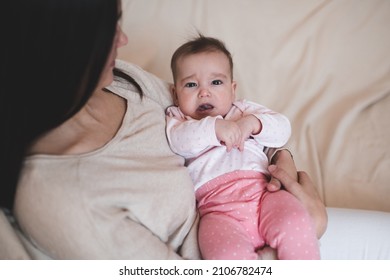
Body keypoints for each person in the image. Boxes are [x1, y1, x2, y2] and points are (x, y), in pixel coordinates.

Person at [0, 0, 326, 259]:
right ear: (57, 44)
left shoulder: (123, 81)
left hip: (273, 212)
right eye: (107, 28)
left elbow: (267, 134)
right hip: (238, 247)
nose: (123, 40)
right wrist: (309, 228)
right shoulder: (63, 199)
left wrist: (284, 165)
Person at [166, 35, 320, 259]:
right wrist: (215, 128)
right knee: (225, 255)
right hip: (217, 210)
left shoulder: (243, 111)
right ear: (175, 94)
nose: (204, 92)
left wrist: (253, 124)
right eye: (191, 84)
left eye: (216, 82)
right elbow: (179, 141)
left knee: (296, 223)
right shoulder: (179, 119)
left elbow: (283, 129)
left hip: (264, 194)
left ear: (232, 88)